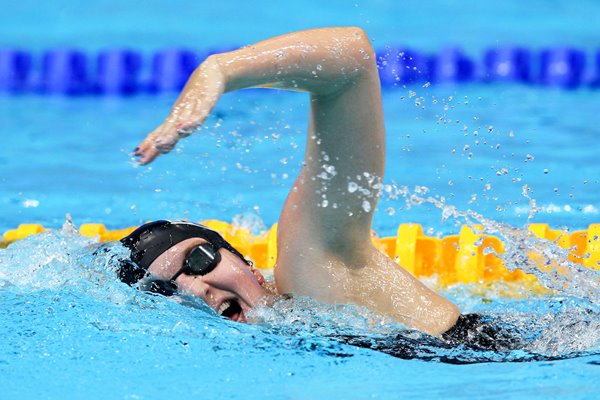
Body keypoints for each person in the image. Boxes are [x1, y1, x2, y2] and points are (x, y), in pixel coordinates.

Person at [122, 27, 496, 344]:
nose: (194, 288)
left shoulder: (312, 275)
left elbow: (352, 62)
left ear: (247, 264)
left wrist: (220, 69)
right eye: (165, 290)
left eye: (197, 260)